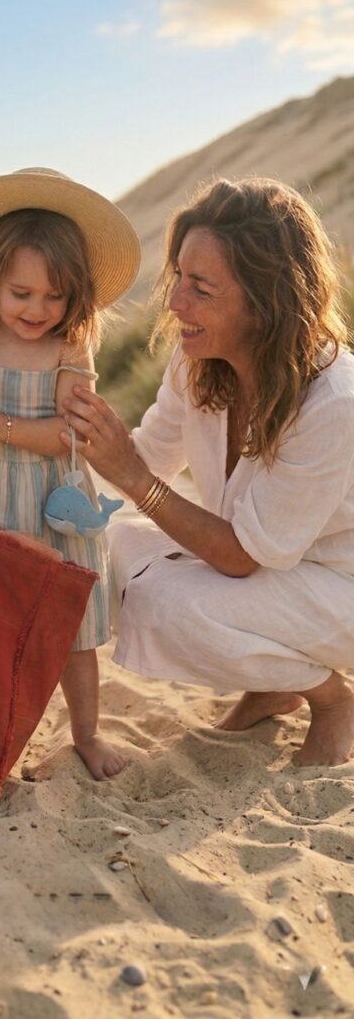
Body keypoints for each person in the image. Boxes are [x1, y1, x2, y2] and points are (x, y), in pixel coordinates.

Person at [62, 176, 354, 767]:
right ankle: (272, 686)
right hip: (268, 574)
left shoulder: (334, 402)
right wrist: (58, 429)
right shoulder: (199, 363)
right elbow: (147, 455)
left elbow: (242, 555)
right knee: (97, 550)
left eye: (200, 288)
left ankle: (330, 698)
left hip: (336, 588)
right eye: (178, 279)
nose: (176, 303)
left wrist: (132, 475)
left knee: (163, 607)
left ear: (266, 299)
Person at [0, 167, 140, 780]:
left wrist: (1, 427)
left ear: (76, 297)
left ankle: (88, 735)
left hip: (53, 504)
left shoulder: (70, 347)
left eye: (55, 296)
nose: (38, 310)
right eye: (21, 294)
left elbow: (74, 436)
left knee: (71, 627)